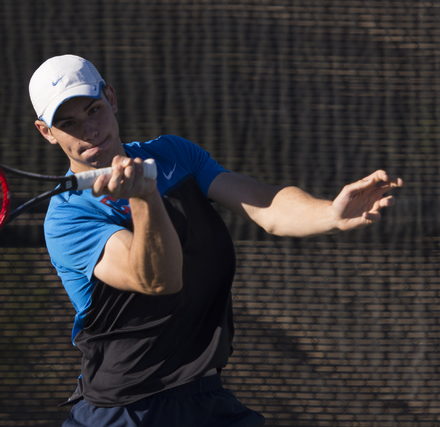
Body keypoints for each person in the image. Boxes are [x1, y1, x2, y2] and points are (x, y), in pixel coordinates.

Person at [28, 54, 403, 427]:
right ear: (47, 132)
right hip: (124, 412)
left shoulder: (174, 155)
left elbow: (266, 205)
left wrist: (329, 214)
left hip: (203, 396)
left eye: (94, 110)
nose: (89, 130)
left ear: (111, 98)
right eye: (68, 123)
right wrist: (145, 198)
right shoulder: (68, 218)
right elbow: (158, 280)